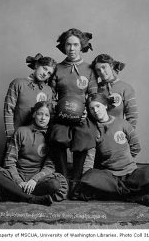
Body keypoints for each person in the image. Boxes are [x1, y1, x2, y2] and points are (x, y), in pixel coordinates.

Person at [76, 93, 149, 207]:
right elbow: (90, 156)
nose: (95, 111)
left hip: (131, 172)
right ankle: (135, 195)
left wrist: (125, 160)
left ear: (105, 106)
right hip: (110, 175)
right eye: (91, 108)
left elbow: (136, 146)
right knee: (89, 179)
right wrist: (86, 176)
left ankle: (125, 193)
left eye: (98, 106)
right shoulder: (93, 130)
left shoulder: (122, 123)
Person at [0, 101, 68, 206]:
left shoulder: (51, 136)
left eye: (47, 115)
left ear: (50, 118)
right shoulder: (21, 131)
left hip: (36, 181)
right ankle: (31, 198)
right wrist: (19, 181)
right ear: (34, 114)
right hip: (15, 177)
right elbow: (10, 161)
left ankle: (15, 194)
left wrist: (34, 180)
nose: (43, 118)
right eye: (40, 114)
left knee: (55, 184)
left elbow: (49, 166)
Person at [48, 28, 98, 198]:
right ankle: (63, 181)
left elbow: (93, 95)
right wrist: (56, 109)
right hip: (61, 116)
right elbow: (51, 94)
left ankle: (75, 182)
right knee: (56, 136)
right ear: (63, 46)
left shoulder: (89, 69)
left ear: (82, 46)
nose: (72, 48)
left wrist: (86, 112)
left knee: (83, 138)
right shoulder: (57, 68)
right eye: (68, 44)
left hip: (82, 115)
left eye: (76, 44)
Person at [3, 53, 57, 143]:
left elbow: (47, 115)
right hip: (17, 137)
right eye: (44, 68)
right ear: (36, 65)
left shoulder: (48, 90)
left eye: (49, 73)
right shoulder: (18, 83)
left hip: (38, 140)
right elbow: (8, 110)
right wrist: (10, 136)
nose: (45, 74)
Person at [91, 54, 138, 129]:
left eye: (104, 67)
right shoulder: (94, 89)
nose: (102, 72)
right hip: (97, 134)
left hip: (118, 135)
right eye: (98, 70)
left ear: (111, 66)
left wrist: (126, 135)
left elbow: (132, 117)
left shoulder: (125, 88)